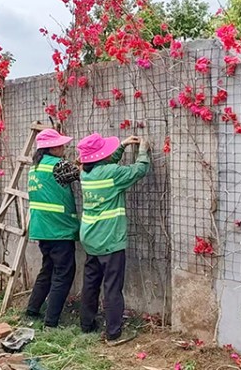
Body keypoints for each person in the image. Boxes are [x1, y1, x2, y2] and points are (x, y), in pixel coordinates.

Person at [76, 133, 150, 343]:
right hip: (109, 239)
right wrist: (143, 150)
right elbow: (139, 170)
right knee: (112, 287)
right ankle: (113, 332)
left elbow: (106, 164)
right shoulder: (112, 173)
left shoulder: (85, 174)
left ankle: (87, 325)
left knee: (91, 283)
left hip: (90, 237)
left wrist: (122, 146)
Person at [25, 129, 81, 327]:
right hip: (59, 229)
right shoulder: (59, 165)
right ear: (52, 148)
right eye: (60, 145)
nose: (64, 148)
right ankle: (51, 321)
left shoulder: (35, 167)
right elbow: (84, 173)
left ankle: (32, 309)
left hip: (41, 229)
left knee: (48, 269)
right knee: (63, 274)